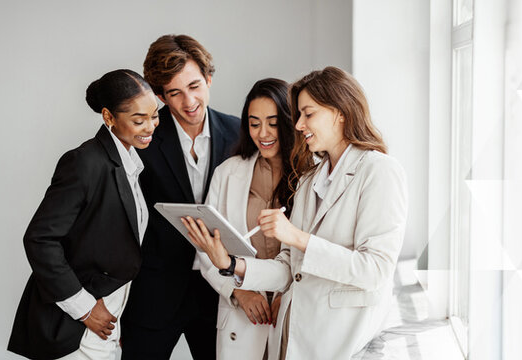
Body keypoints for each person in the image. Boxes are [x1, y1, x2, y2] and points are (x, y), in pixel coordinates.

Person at [184, 66, 408, 359]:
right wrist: (230, 265)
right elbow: (289, 268)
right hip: (294, 336)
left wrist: (297, 237)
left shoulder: (379, 171)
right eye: (299, 115)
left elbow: (375, 270)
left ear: (340, 112)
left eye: (308, 114)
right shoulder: (309, 180)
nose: (299, 124)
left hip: (343, 341)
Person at [8, 69, 158, 359]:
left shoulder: (132, 164)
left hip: (108, 328)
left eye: (154, 116)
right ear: (109, 117)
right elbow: (40, 240)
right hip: (73, 331)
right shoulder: (84, 162)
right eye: (139, 120)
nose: (151, 126)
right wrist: (85, 309)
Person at [120, 34, 241, 359]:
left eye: (195, 86)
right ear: (159, 95)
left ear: (209, 79)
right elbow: (122, 222)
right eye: (174, 92)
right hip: (154, 293)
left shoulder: (241, 133)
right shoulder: (141, 140)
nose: (189, 101)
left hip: (221, 291)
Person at [197, 78, 313, 359]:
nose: (263, 133)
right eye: (254, 122)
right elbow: (206, 249)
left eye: (273, 123)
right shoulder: (228, 172)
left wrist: (287, 296)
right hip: (243, 312)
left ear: (290, 122)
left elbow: (315, 247)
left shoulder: (310, 173)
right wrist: (238, 293)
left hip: (295, 309)